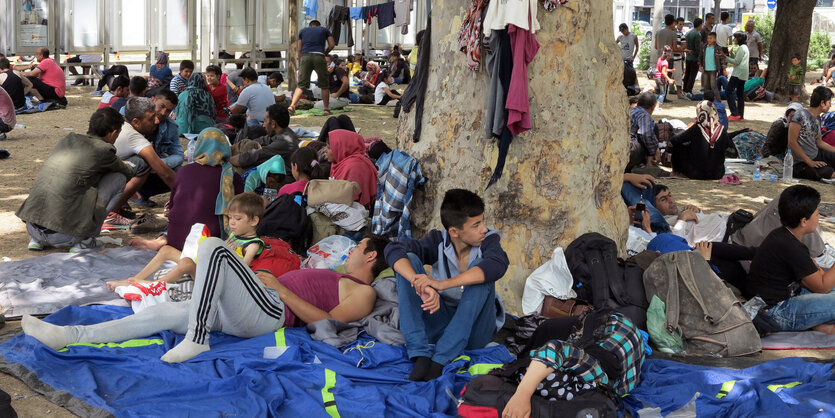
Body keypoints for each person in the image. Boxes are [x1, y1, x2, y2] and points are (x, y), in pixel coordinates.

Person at [23, 235, 390, 363]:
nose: (350, 250)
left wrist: (281, 289)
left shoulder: (364, 290)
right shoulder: (336, 274)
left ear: (371, 256)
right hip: (255, 299)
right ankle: (70, 337)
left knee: (213, 245)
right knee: (163, 314)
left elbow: (328, 324)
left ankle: (196, 339)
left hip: (272, 310)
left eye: (357, 246)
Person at [385, 189, 508, 381]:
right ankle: (420, 353)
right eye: (476, 225)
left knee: (481, 272)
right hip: (440, 323)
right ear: (454, 232)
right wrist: (422, 285)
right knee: (408, 260)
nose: (484, 228)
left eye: (482, 222)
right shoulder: (437, 242)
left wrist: (441, 285)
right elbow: (393, 249)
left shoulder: (489, 241)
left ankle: (439, 361)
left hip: (476, 331)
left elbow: (497, 265)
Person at [16, 108, 133, 252]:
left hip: (32, 227)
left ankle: (37, 240)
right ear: (114, 132)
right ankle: (85, 240)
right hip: (64, 237)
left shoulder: (68, 139)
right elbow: (128, 172)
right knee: (118, 178)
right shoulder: (103, 150)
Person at [501, 310, 646, 418]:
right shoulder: (594, 372)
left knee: (546, 332)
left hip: (616, 326)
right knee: (545, 332)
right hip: (616, 325)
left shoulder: (592, 372)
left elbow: (553, 349)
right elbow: (554, 350)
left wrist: (521, 396)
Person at [107, 192, 264, 291]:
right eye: (230, 218)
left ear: (254, 221)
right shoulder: (235, 235)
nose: (232, 223)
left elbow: (241, 272)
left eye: (237, 219)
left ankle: (153, 286)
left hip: (219, 280)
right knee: (166, 250)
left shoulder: (252, 244)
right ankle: (136, 279)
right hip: (209, 268)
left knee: (187, 264)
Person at [131, 128, 244, 253]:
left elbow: (172, 206)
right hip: (209, 241)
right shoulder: (232, 176)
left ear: (199, 146)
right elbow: (240, 211)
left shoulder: (184, 171)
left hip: (176, 239)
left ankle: (162, 239)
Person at [746, 185, 835, 334]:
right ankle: (820, 325)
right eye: (817, 214)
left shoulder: (782, 235)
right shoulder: (791, 246)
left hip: (786, 297)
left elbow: (813, 281)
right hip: (776, 312)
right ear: (804, 221)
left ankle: (818, 323)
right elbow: (822, 287)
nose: (819, 218)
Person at [112, 97, 177, 225]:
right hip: (98, 183)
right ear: (136, 122)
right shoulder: (133, 136)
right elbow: (164, 172)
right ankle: (111, 213)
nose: (157, 121)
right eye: (151, 118)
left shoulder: (121, 125)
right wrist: (189, 193)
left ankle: (117, 207)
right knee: (143, 164)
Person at [132, 90, 183, 206]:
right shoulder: (134, 118)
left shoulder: (171, 126)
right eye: (162, 106)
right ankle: (129, 194)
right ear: (153, 100)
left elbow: (179, 155)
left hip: (153, 169)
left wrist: (158, 163)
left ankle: (142, 195)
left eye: (169, 110)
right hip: (132, 168)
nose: (164, 112)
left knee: (180, 171)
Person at [669, 101, 730, 180]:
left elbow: (675, 140)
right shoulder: (722, 129)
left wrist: (686, 131)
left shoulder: (697, 128)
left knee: (679, 145)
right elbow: (727, 145)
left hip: (696, 173)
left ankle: (676, 171)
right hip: (718, 174)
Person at [231, 104, 299, 170]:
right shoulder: (280, 133)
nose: (263, 125)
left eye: (265, 121)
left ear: (273, 124)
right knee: (247, 143)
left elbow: (255, 156)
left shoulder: (284, 142)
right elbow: (261, 140)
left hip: (283, 179)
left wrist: (228, 160)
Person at [288, 20, 335, 115]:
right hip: (319, 56)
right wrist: (325, 52)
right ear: (319, 25)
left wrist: (301, 62)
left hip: (305, 56)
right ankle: (326, 109)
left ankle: (292, 106)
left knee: (301, 84)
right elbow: (332, 44)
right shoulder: (324, 30)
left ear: (310, 26)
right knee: (324, 85)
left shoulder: (302, 31)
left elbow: (299, 49)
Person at [789, 86, 835, 181]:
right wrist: (809, 162)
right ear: (822, 103)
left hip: (816, 155)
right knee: (829, 173)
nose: (830, 105)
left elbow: (819, 142)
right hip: (800, 162)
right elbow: (792, 142)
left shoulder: (818, 118)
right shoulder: (799, 115)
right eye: (829, 102)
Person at [325, 129, 378, 209]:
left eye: (329, 148)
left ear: (342, 148)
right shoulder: (339, 163)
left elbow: (350, 202)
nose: (325, 150)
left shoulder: (354, 168)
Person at [628, 91, 660, 172]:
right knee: (653, 128)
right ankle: (649, 162)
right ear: (653, 107)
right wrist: (654, 150)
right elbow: (646, 134)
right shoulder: (644, 115)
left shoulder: (629, 110)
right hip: (631, 151)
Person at [725, 32, 749, 121]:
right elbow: (737, 59)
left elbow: (736, 61)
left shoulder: (741, 48)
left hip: (738, 73)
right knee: (740, 94)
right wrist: (730, 54)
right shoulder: (745, 47)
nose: (734, 39)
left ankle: (735, 113)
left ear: (739, 39)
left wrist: (725, 57)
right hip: (743, 73)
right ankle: (740, 114)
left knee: (728, 91)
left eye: (735, 38)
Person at [699, 32, 724, 104]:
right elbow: (700, 57)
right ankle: (705, 100)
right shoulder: (704, 47)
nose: (709, 40)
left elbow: (722, 59)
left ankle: (718, 100)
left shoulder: (718, 48)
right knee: (706, 86)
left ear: (715, 39)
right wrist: (700, 65)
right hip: (706, 69)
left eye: (711, 38)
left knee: (713, 86)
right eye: (708, 38)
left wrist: (723, 68)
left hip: (713, 69)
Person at [683, 18, 702, 95]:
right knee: (692, 75)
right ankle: (689, 90)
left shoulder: (688, 33)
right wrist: (700, 56)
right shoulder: (697, 34)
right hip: (694, 57)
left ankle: (684, 89)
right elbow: (698, 47)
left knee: (687, 74)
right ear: (700, 25)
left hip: (688, 56)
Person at [671, 17, 686, 99]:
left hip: (678, 58)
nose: (681, 26)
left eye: (683, 24)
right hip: (670, 58)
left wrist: (678, 50)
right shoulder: (670, 34)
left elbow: (684, 45)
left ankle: (679, 93)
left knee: (679, 75)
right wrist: (680, 50)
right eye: (680, 24)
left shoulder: (681, 34)